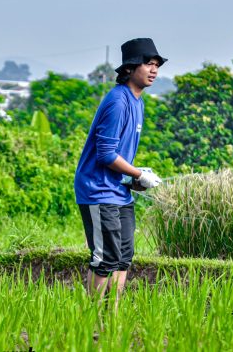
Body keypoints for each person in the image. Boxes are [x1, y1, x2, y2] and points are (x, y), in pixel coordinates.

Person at [74, 37, 165, 310]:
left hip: (119, 190)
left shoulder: (137, 102)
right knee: (105, 258)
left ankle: (111, 314)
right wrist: (138, 172)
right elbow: (105, 154)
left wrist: (134, 179)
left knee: (124, 256)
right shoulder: (118, 101)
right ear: (130, 68)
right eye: (148, 64)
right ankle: (92, 317)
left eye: (157, 65)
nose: (154, 70)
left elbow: (120, 158)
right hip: (98, 190)